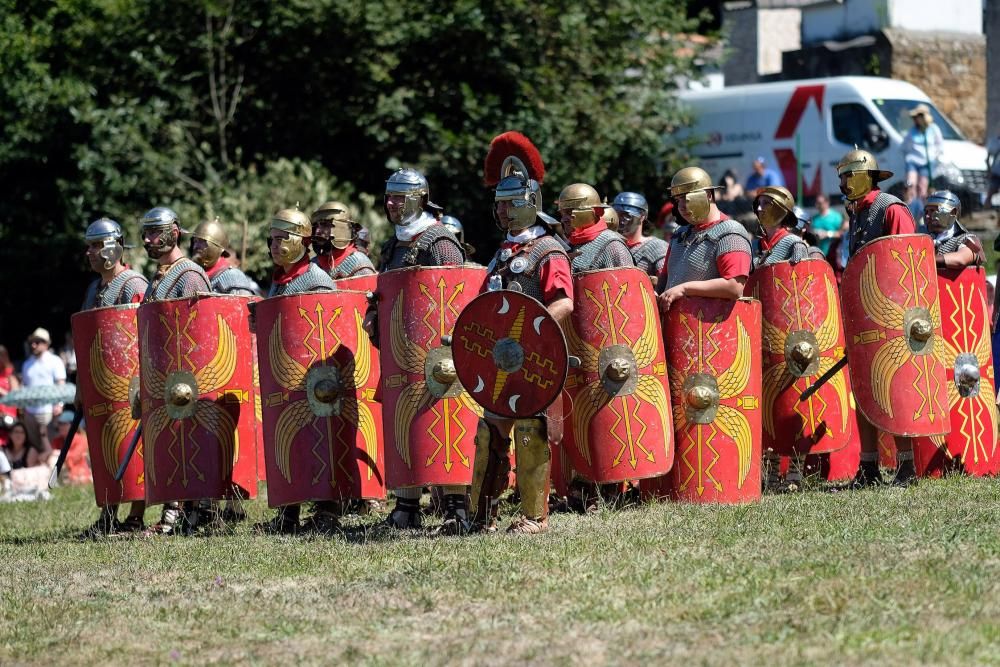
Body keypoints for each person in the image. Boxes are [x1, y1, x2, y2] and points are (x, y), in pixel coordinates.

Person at [469, 131, 573, 535]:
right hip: (501, 359)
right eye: (501, 204)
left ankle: (533, 518)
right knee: (488, 434)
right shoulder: (500, 254)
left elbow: (563, 302)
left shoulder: (549, 250)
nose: (505, 212)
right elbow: (483, 307)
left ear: (531, 204)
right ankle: (480, 516)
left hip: (534, 359)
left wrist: (533, 333)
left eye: (513, 204)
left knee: (531, 432)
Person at [368, 168, 467, 531]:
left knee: (445, 423)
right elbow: (385, 292)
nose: (392, 204)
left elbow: (454, 295)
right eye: (389, 197)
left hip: (441, 354)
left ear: (419, 199)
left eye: (400, 197)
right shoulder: (393, 245)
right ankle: (407, 508)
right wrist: (373, 316)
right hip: (403, 352)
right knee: (405, 424)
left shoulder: (439, 241)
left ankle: (456, 507)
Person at [836, 148, 919, 488]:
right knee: (863, 390)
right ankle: (869, 467)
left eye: (846, 176)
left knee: (896, 388)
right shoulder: (856, 214)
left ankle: (906, 466)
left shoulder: (890, 208)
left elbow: (906, 258)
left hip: (893, 315)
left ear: (860, 175)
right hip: (864, 315)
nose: (842, 183)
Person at [254, 207, 338, 535]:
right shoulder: (279, 281)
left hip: (317, 379)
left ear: (302, 240)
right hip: (288, 378)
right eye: (271, 239)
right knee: (288, 442)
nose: (274, 245)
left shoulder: (315, 280)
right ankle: (288, 514)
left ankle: (327, 512)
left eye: (281, 238)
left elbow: (327, 328)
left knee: (319, 443)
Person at [138, 206, 213, 535]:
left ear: (175, 231)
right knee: (172, 446)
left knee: (190, 445)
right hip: (165, 379)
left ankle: (195, 515)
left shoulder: (190, 275)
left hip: (189, 379)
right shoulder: (158, 278)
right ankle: (176, 513)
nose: (147, 239)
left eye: (155, 232)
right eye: (145, 232)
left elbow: (201, 332)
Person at [77, 217, 149, 536]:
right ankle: (108, 515)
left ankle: (135, 516)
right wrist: (81, 384)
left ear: (113, 247)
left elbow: (145, 334)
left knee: (134, 449)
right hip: (104, 385)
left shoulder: (134, 284)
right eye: (88, 246)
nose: (89, 252)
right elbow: (88, 338)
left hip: (132, 383)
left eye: (95, 246)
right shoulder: (95, 288)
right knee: (108, 446)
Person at [657, 166, 753, 310]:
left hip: (711, 328)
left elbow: (734, 287)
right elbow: (665, 280)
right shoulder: (679, 234)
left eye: (686, 198)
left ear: (708, 194)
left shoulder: (730, 232)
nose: (681, 206)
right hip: (674, 326)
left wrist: (684, 288)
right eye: (677, 200)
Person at [556, 184, 633, 272]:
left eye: (570, 212)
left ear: (593, 212)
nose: (563, 219)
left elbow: (626, 284)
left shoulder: (613, 245)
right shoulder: (569, 245)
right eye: (562, 214)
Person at [20, 327, 64, 458]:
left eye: (37, 342)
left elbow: (60, 384)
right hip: (30, 412)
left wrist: (59, 404)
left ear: (46, 343)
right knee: (36, 446)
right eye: (32, 342)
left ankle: (53, 476)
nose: (33, 345)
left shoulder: (55, 361)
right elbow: (26, 387)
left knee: (49, 446)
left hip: (48, 410)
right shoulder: (26, 364)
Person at [189, 219, 260, 296]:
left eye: (202, 241)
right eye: (195, 241)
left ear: (217, 246)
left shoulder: (234, 277)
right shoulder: (191, 275)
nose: (196, 246)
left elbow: (241, 307)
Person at [309, 201, 376, 280]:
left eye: (325, 224)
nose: (317, 231)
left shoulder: (359, 262)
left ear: (341, 227)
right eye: (316, 226)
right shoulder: (314, 265)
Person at [749, 186, 810, 269]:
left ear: (780, 209)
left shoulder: (795, 244)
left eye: (766, 203)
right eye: (759, 203)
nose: (759, 208)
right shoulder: (753, 246)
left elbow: (801, 279)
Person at [613, 192, 668, 285]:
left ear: (642, 217)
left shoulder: (657, 247)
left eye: (626, 215)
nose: (620, 220)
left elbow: (665, 281)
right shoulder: (611, 245)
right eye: (617, 215)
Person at [925, 190, 984, 269]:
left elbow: (961, 260)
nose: (927, 216)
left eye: (932, 211)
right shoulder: (925, 239)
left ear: (952, 212)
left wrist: (924, 260)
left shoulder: (971, 240)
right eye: (926, 212)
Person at [902, 103, 944, 208]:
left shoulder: (933, 129)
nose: (917, 119)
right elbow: (905, 147)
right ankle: (909, 208)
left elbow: (940, 146)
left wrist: (935, 157)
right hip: (913, 163)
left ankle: (922, 212)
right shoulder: (912, 131)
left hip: (927, 163)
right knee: (910, 185)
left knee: (922, 189)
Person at [51, 410, 91, 485]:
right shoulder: (57, 440)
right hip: (62, 477)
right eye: (59, 424)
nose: (60, 426)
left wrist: (57, 453)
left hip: (78, 476)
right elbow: (47, 455)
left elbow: (73, 457)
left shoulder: (81, 440)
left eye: (64, 424)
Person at [0, 345, 20, 447]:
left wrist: (1, 391)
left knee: (8, 441)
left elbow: (15, 394)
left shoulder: (10, 372)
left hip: (8, 411)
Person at [986, 129, 1000, 210]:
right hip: (996, 173)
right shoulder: (995, 142)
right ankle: (985, 211)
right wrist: (989, 171)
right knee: (990, 194)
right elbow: (988, 159)